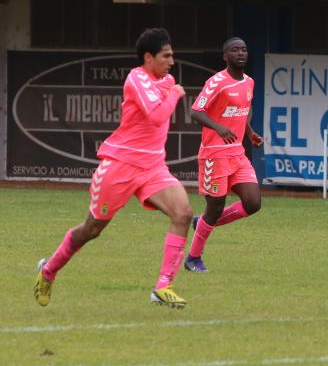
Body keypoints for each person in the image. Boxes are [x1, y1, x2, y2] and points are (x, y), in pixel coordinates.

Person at [34, 28, 193, 309]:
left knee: (183, 213)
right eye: (166, 56)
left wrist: (172, 92)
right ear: (148, 57)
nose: (172, 61)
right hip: (120, 166)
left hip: (153, 166)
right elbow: (157, 116)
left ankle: (163, 286)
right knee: (92, 229)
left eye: (172, 56)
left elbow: (162, 120)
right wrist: (176, 95)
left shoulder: (167, 79)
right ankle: (48, 271)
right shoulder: (137, 78)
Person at [184, 37, 263, 273]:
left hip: (237, 153)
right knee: (216, 206)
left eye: (244, 49)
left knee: (253, 203)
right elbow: (196, 111)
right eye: (235, 50)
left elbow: (244, 109)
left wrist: (249, 132)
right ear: (225, 56)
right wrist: (218, 127)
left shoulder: (249, 82)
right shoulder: (217, 82)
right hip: (214, 154)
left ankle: (202, 222)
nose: (241, 53)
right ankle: (193, 258)